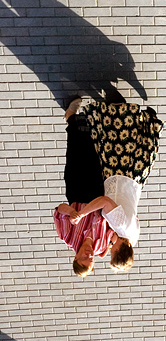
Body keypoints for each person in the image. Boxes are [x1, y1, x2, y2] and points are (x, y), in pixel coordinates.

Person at [71, 100, 163, 271]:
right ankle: (117, 109)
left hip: (135, 180)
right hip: (119, 175)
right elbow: (104, 201)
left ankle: (145, 120)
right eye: (113, 253)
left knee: (135, 145)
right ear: (119, 250)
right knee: (116, 139)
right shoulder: (120, 225)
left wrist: (113, 238)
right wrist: (82, 214)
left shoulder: (133, 237)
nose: (111, 249)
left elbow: (133, 219)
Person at [54, 99, 114, 277]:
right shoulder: (102, 245)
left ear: (75, 258)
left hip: (76, 191)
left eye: (84, 258)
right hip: (96, 193)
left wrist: (71, 212)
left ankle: (71, 117)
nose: (89, 255)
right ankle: (93, 117)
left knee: (75, 152)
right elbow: (115, 226)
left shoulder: (68, 237)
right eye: (91, 260)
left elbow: (59, 210)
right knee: (95, 154)